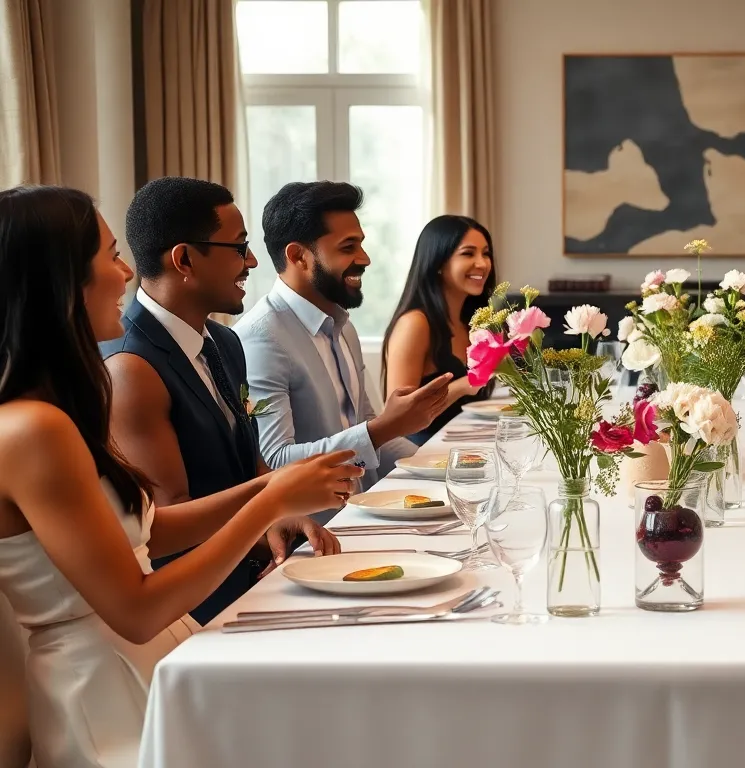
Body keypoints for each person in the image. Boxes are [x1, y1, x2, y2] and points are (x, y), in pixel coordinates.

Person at [0, 185, 361, 768]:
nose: (123, 272)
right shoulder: (33, 429)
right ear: (58, 279)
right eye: (108, 255)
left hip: (139, 663)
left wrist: (271, 488)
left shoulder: (50, 410)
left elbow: (148, 532)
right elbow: (136, 609)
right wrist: (266, 507)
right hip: (103, 693)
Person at [100, 177, 338, 624]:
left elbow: (247, 464)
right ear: (185, 259)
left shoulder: (225, 342)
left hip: (251, 579)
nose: (250, 261)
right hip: (193, 609)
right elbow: (169, 520)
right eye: (238, 247)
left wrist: (283, 518)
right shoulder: (132, 367)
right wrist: (276, 496)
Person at [235, 182, 457, 510]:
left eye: (361, 244)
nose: (364, 258)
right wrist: (384, 428)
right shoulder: (261, 338)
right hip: (315, 532)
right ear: (298, 256)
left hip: (364, 510)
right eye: (348, 247)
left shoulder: (343, 326)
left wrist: (451, 469)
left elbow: (367, 428)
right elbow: (277, 460)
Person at [381, 215, 495, 445]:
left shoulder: (472, 322)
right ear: (439, 263)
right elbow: (397, 418)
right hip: (419, 455)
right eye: (468, 253)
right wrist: (465, 385)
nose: (482, 263)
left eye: (486, 253)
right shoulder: (415, 324)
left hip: (463, 449)